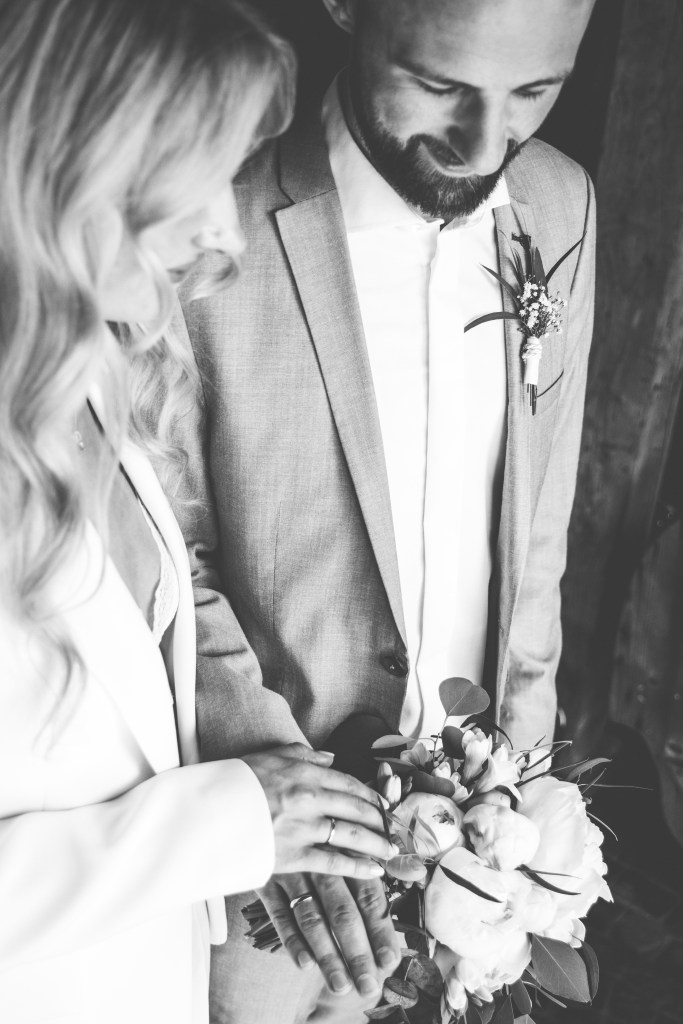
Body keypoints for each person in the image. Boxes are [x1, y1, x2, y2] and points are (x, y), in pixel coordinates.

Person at [174, 0, 598, 1020]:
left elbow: (536, 534)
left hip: (474, 861)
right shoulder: (203, 200)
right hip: (262, 866)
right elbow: (164, 545)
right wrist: (262, 791)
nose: (484, 145)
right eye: (441, 85)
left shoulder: (560, 204)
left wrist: (517, 806)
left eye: (532, 92)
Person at [0, 2, 397, 1023]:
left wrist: (268, 843)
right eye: (200, 175)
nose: (226, 232)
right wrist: (226, 823)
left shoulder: (91, 396)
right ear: (75, 156)